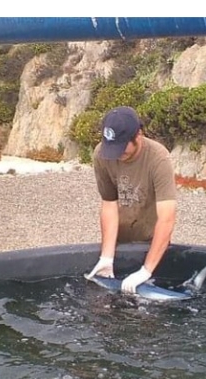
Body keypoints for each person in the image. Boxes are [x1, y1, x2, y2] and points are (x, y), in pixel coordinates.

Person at [85, 106, 178, 293]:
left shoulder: (158, 159)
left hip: (151, 241)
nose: (116, 155)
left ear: (138, 135)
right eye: (111, 148)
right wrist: (106, 258)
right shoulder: (102, 154)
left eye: (121, 148)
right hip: (120, 239)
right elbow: (109, 204)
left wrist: (146, 270)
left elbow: (166, 219)